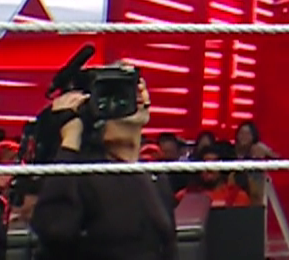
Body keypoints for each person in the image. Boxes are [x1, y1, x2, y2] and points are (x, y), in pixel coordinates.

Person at [29, 74, 179, 260]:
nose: (137, 92)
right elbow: (53, 230)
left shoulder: (156, 178)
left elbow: (169, 250)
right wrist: (70, 139)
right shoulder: (80, 174)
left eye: (137, 84)